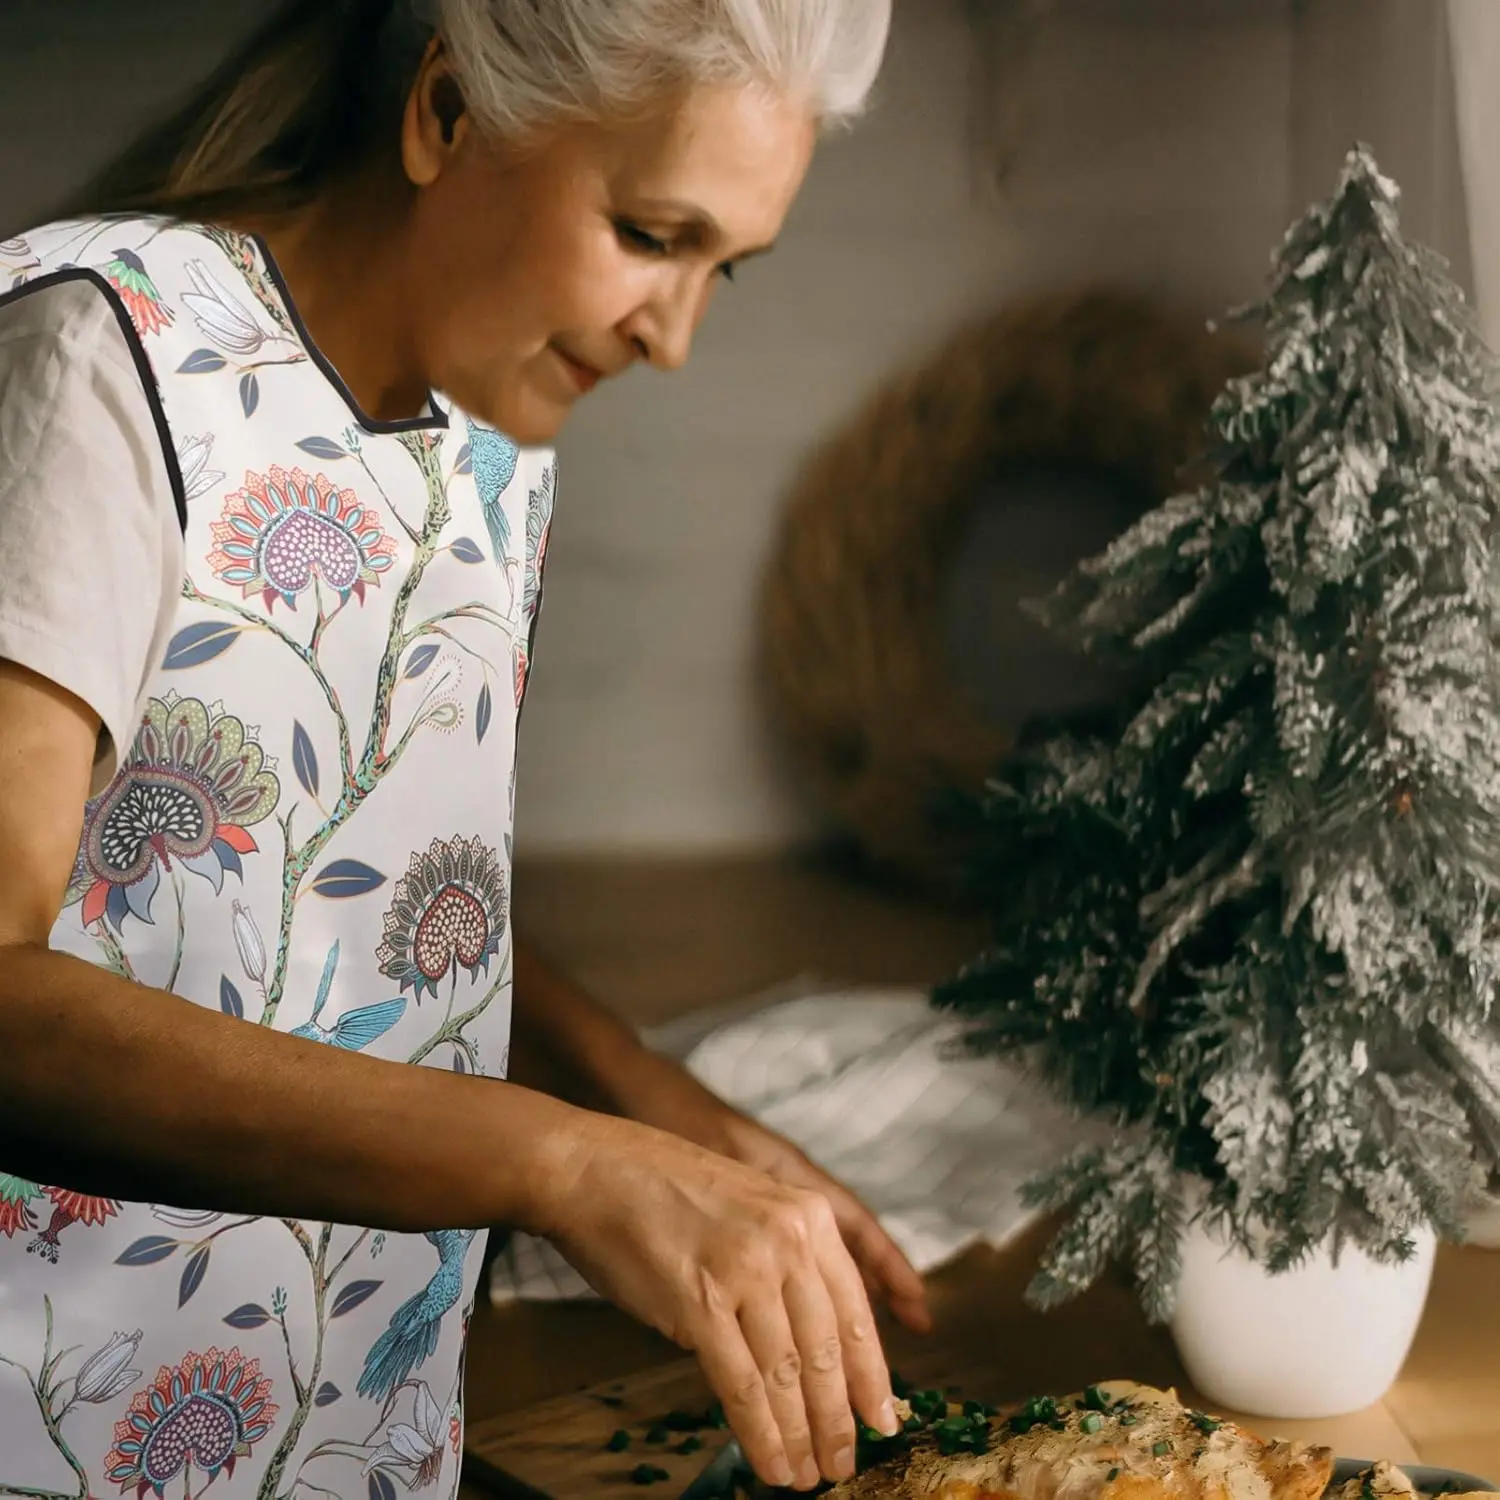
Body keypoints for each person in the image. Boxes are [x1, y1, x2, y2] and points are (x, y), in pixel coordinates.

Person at [0, 1, 930, 1495]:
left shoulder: (488, 440)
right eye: (647, 231)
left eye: (725, 268)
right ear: (445, 114)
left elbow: (333, 887)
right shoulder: (100, 370)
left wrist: (637, 1091)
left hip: (363, 1444)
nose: (674, 337)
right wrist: (562, 1163)